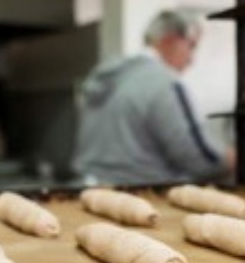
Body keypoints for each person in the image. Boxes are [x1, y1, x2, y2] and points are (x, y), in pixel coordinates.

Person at [72, 10, 230, 185]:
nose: (191, 59)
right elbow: (200, 160)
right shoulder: (164, 83)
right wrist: (236, 159)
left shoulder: (109, 76)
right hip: (139, 194)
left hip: (90, 190)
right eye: (191, 46)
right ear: (170, 40)